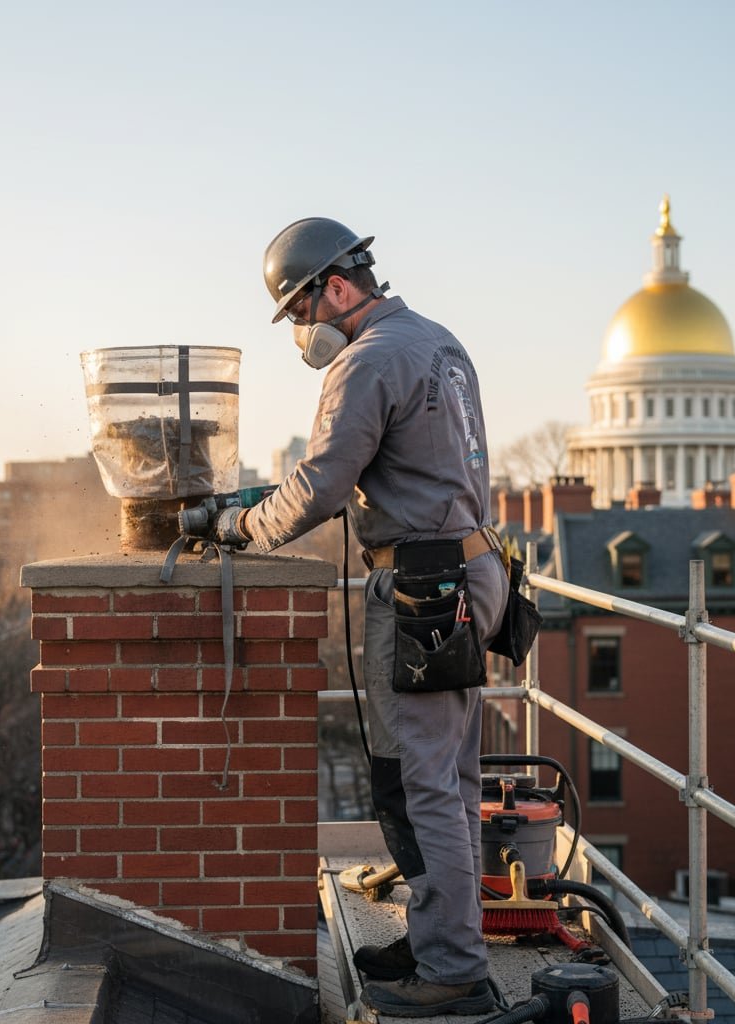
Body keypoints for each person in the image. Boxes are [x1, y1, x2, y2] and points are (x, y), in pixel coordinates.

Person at [210, 217, 506, 1018]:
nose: (303, 331)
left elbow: (319, 488)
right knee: (452, 776)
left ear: (336, 288)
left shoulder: (367, 360)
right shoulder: (438, 341)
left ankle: (452, 972)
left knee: (428, 786)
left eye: (302, 312)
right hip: (469, 571)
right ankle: (441, 934)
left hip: (421, 586)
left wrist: (238, 526)